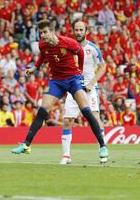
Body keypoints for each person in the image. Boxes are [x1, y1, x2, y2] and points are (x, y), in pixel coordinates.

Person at [11, 19, 108, 163]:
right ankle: (26, 145)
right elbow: (43, 56)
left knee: (86, 111)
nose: (42, 35)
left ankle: (102, 146)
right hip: (56, 81)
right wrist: (34, 68)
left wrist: (80, 72)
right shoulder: (42, 45)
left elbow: (80, 53)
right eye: (41, 33)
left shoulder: (68, 43)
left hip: (73, 80)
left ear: (52, 31)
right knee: (43, 110)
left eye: (45, 32)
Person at [60, 21, 107, 164]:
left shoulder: (93, 48)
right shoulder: (68, 47)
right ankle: (66, 156)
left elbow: (103, 67)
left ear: (86, 31)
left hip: (89, 89)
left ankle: (102, 149)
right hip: (73, 88)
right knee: (68, 120)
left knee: (95, 119)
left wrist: (91, 83)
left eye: (81, 29)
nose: (79, 32)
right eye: (76, 29)